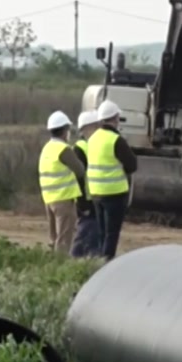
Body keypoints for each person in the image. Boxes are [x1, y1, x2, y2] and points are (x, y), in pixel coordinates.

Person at [86, 100, 138, 261]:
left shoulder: (93, 139)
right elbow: (132, 165)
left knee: (102, 232)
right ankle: (106, 264)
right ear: (115, 118)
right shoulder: (116, 140)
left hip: (96, 193)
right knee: (111, 233)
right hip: (114, 193)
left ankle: (99, 261)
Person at [39, 110, 86, 255]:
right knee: (64, 240)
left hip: (49, 199)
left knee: (54, 238)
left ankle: (52, 266)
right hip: (63, 199)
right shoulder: (63, 149)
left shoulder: (47, 148)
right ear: (65, 130)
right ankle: (60, 269)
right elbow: (80, 170)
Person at [70, 110, 102, 258]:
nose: (99, 128)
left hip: (95, 196)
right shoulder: (80, 148)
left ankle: (90, 257)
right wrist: (82, 203)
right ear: (87, 128)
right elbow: (78, 178)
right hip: (87, 200)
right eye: (96, 126)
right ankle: (75, 258)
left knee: (94, 232)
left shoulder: (92, 145)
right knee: (85, 230)